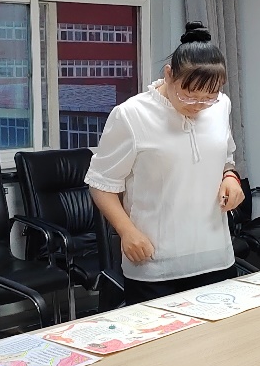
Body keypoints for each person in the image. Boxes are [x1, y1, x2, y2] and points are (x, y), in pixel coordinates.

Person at [85, 23, 244, 305]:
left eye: (208, 97)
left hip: (215, 256)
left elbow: (225, 159)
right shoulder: (131, 115)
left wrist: (231, 178)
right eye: (188, 95)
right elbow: (101, 184)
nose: (198, 105)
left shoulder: (221, 106)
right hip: (155, 262)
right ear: (169, 74)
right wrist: (127, 232)